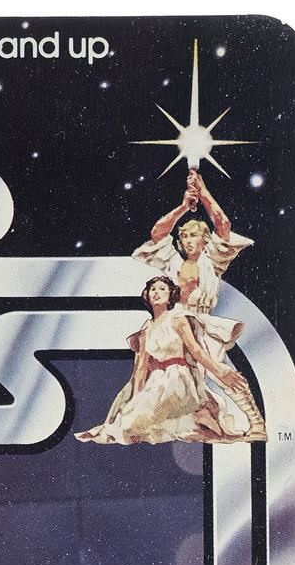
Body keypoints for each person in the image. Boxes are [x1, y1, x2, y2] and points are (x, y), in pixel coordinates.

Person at [132, 168, 266, 438]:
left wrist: (203, 192)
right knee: (166, 376)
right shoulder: (173, 262)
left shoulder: (211, 261)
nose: (188, 240)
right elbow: (158, 233)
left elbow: (223, 225)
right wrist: (184, 206)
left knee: (220, 370)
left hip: (200, 324)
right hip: (173, 323)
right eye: (185, 236)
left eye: (194, 235)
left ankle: (257, 424)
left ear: (205, 240)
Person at [77, 273, 254, 444]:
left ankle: (201, 417)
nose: (156, 292)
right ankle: (199, 420)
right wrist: (135, 399)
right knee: (132, 422)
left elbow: (196, 350)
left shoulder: (178, 319)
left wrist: (219, 371)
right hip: (156, 381)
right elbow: (140, 368)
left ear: (171, 296)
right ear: (147, 295)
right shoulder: (146, 329)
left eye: (162, 289)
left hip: (179, 378)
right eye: (153, 289)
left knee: (145, 419)